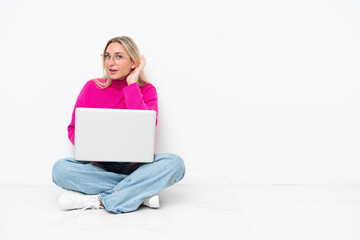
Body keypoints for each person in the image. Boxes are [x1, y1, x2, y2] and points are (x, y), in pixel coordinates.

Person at [52, 36, 185, 214]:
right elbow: (73, 128)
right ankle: (139, 192)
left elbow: (145, 126)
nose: (110, 63)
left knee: (175, 164)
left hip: (136, 166)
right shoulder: (92, 87)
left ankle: (101, 201)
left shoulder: (147, 90)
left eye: (118, 57)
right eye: (107, 56)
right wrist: (91, 145)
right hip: (99, 167)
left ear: (133, 63)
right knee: (60, 169)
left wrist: (131, 86)